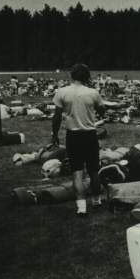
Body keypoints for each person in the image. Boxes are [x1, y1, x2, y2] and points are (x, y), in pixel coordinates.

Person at [51, 63, 105, 217]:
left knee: (77, 172)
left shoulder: (62, 92)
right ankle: (96, 201)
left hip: (73, 135)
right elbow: (102, 111)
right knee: (94, 170)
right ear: (87, 77)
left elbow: (56, 117)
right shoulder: (93, 92)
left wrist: (54, 134)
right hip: (89, 134)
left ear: (72, 76)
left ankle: (81, 207)